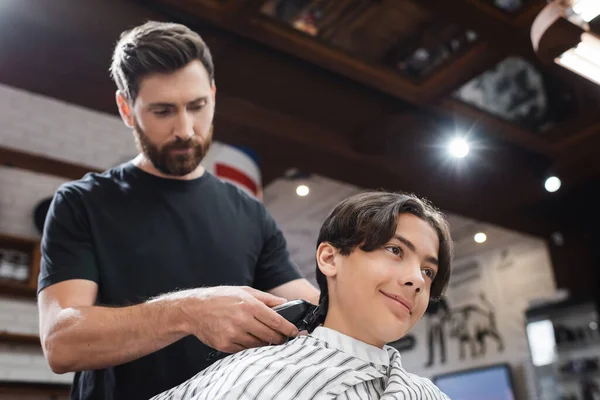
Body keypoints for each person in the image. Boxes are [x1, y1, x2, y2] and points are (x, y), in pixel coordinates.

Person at [36, 21, 319, 400]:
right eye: (163, 111)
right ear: (126, 108)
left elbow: (313, 303)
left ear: (213, 96)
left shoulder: (250, 213)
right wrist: (188, 312)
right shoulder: (81, 202)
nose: (185, 129)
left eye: (197, 106)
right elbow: (61, 341)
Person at [151, 190, 454, 400]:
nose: (417, 279)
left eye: (428, 271)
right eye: (395, 250)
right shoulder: (255, 374)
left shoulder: (426, 393)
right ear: (330, 258)